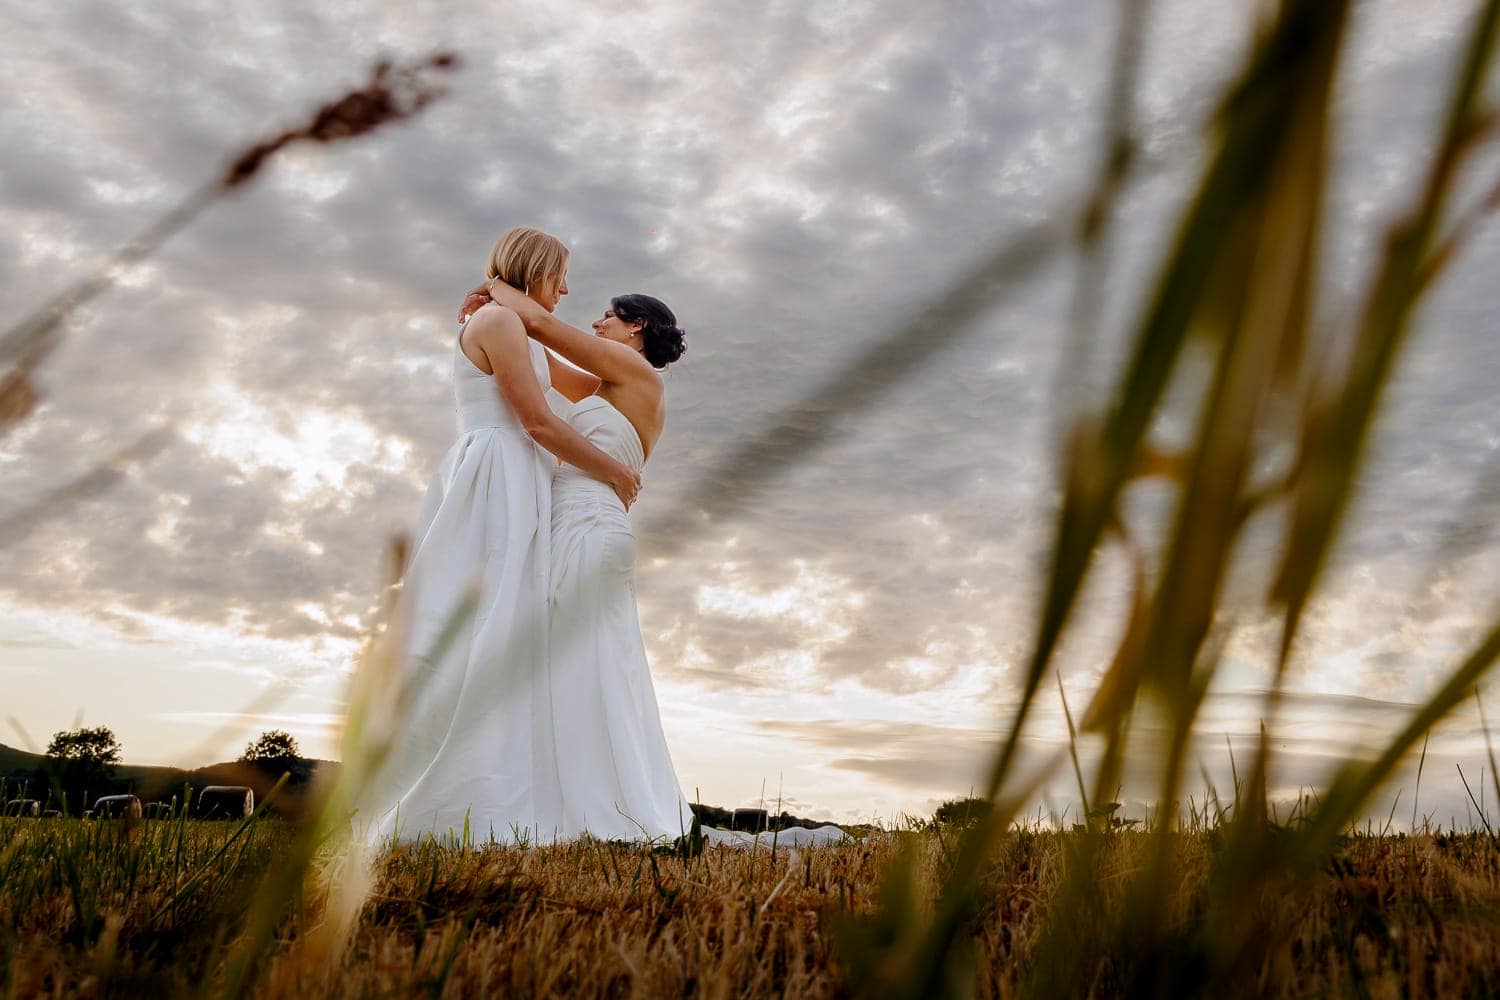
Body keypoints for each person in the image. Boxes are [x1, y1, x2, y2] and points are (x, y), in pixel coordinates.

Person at [363, 227, 640, 847]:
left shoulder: (515, 324)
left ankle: (520, 785)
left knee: (512, 628)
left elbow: (595, 386)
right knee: (481, 627)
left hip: (525, 480)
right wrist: (614, 471)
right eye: (558, 276)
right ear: (533, 271)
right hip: (498, 478)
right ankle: (457, 794)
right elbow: (538, 421)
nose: (566, 290)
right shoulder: (497, 326)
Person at [470, 280, 696, 841]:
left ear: (636, 326)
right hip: (572, 522)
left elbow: (546, 328)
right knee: (568, 661)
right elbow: (538, 358)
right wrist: (493, 318)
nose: (596, 324)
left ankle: (609, 810)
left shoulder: (636, 375)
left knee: (588, 663)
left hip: (591, 526)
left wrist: (498, 283)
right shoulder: (605, 385)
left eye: (607, 317)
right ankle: (566, 798)